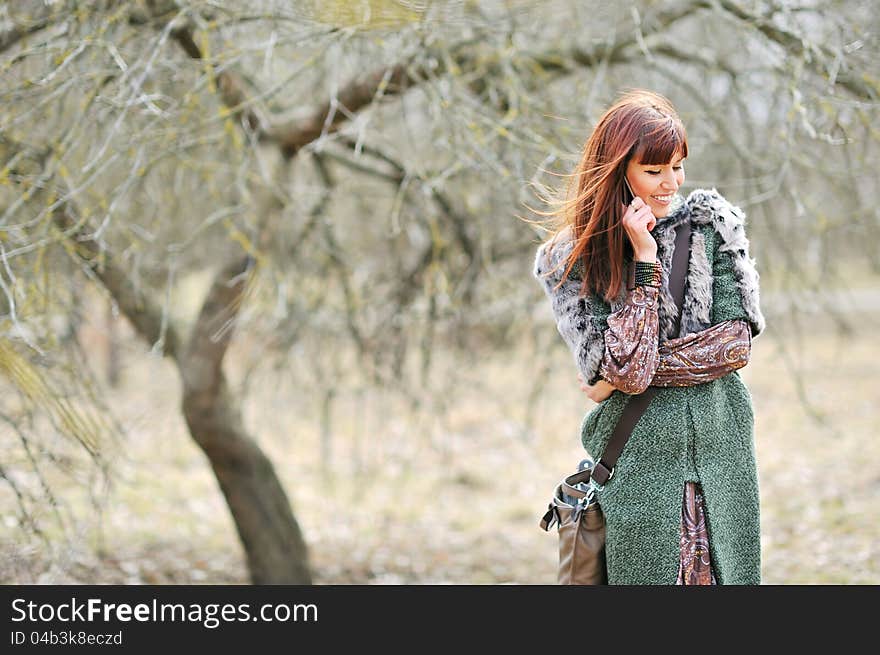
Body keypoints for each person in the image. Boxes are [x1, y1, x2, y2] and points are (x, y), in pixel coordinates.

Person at [531, 89, 766, 585]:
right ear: (619, 170)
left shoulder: (712, 225)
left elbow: (734, 346)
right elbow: (626, 372)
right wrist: (644, 263)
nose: (671, 184)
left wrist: (612, 381)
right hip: (639, 474)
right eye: (654, 170)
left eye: (677, 168)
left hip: (724, 463)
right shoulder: (570, 260)